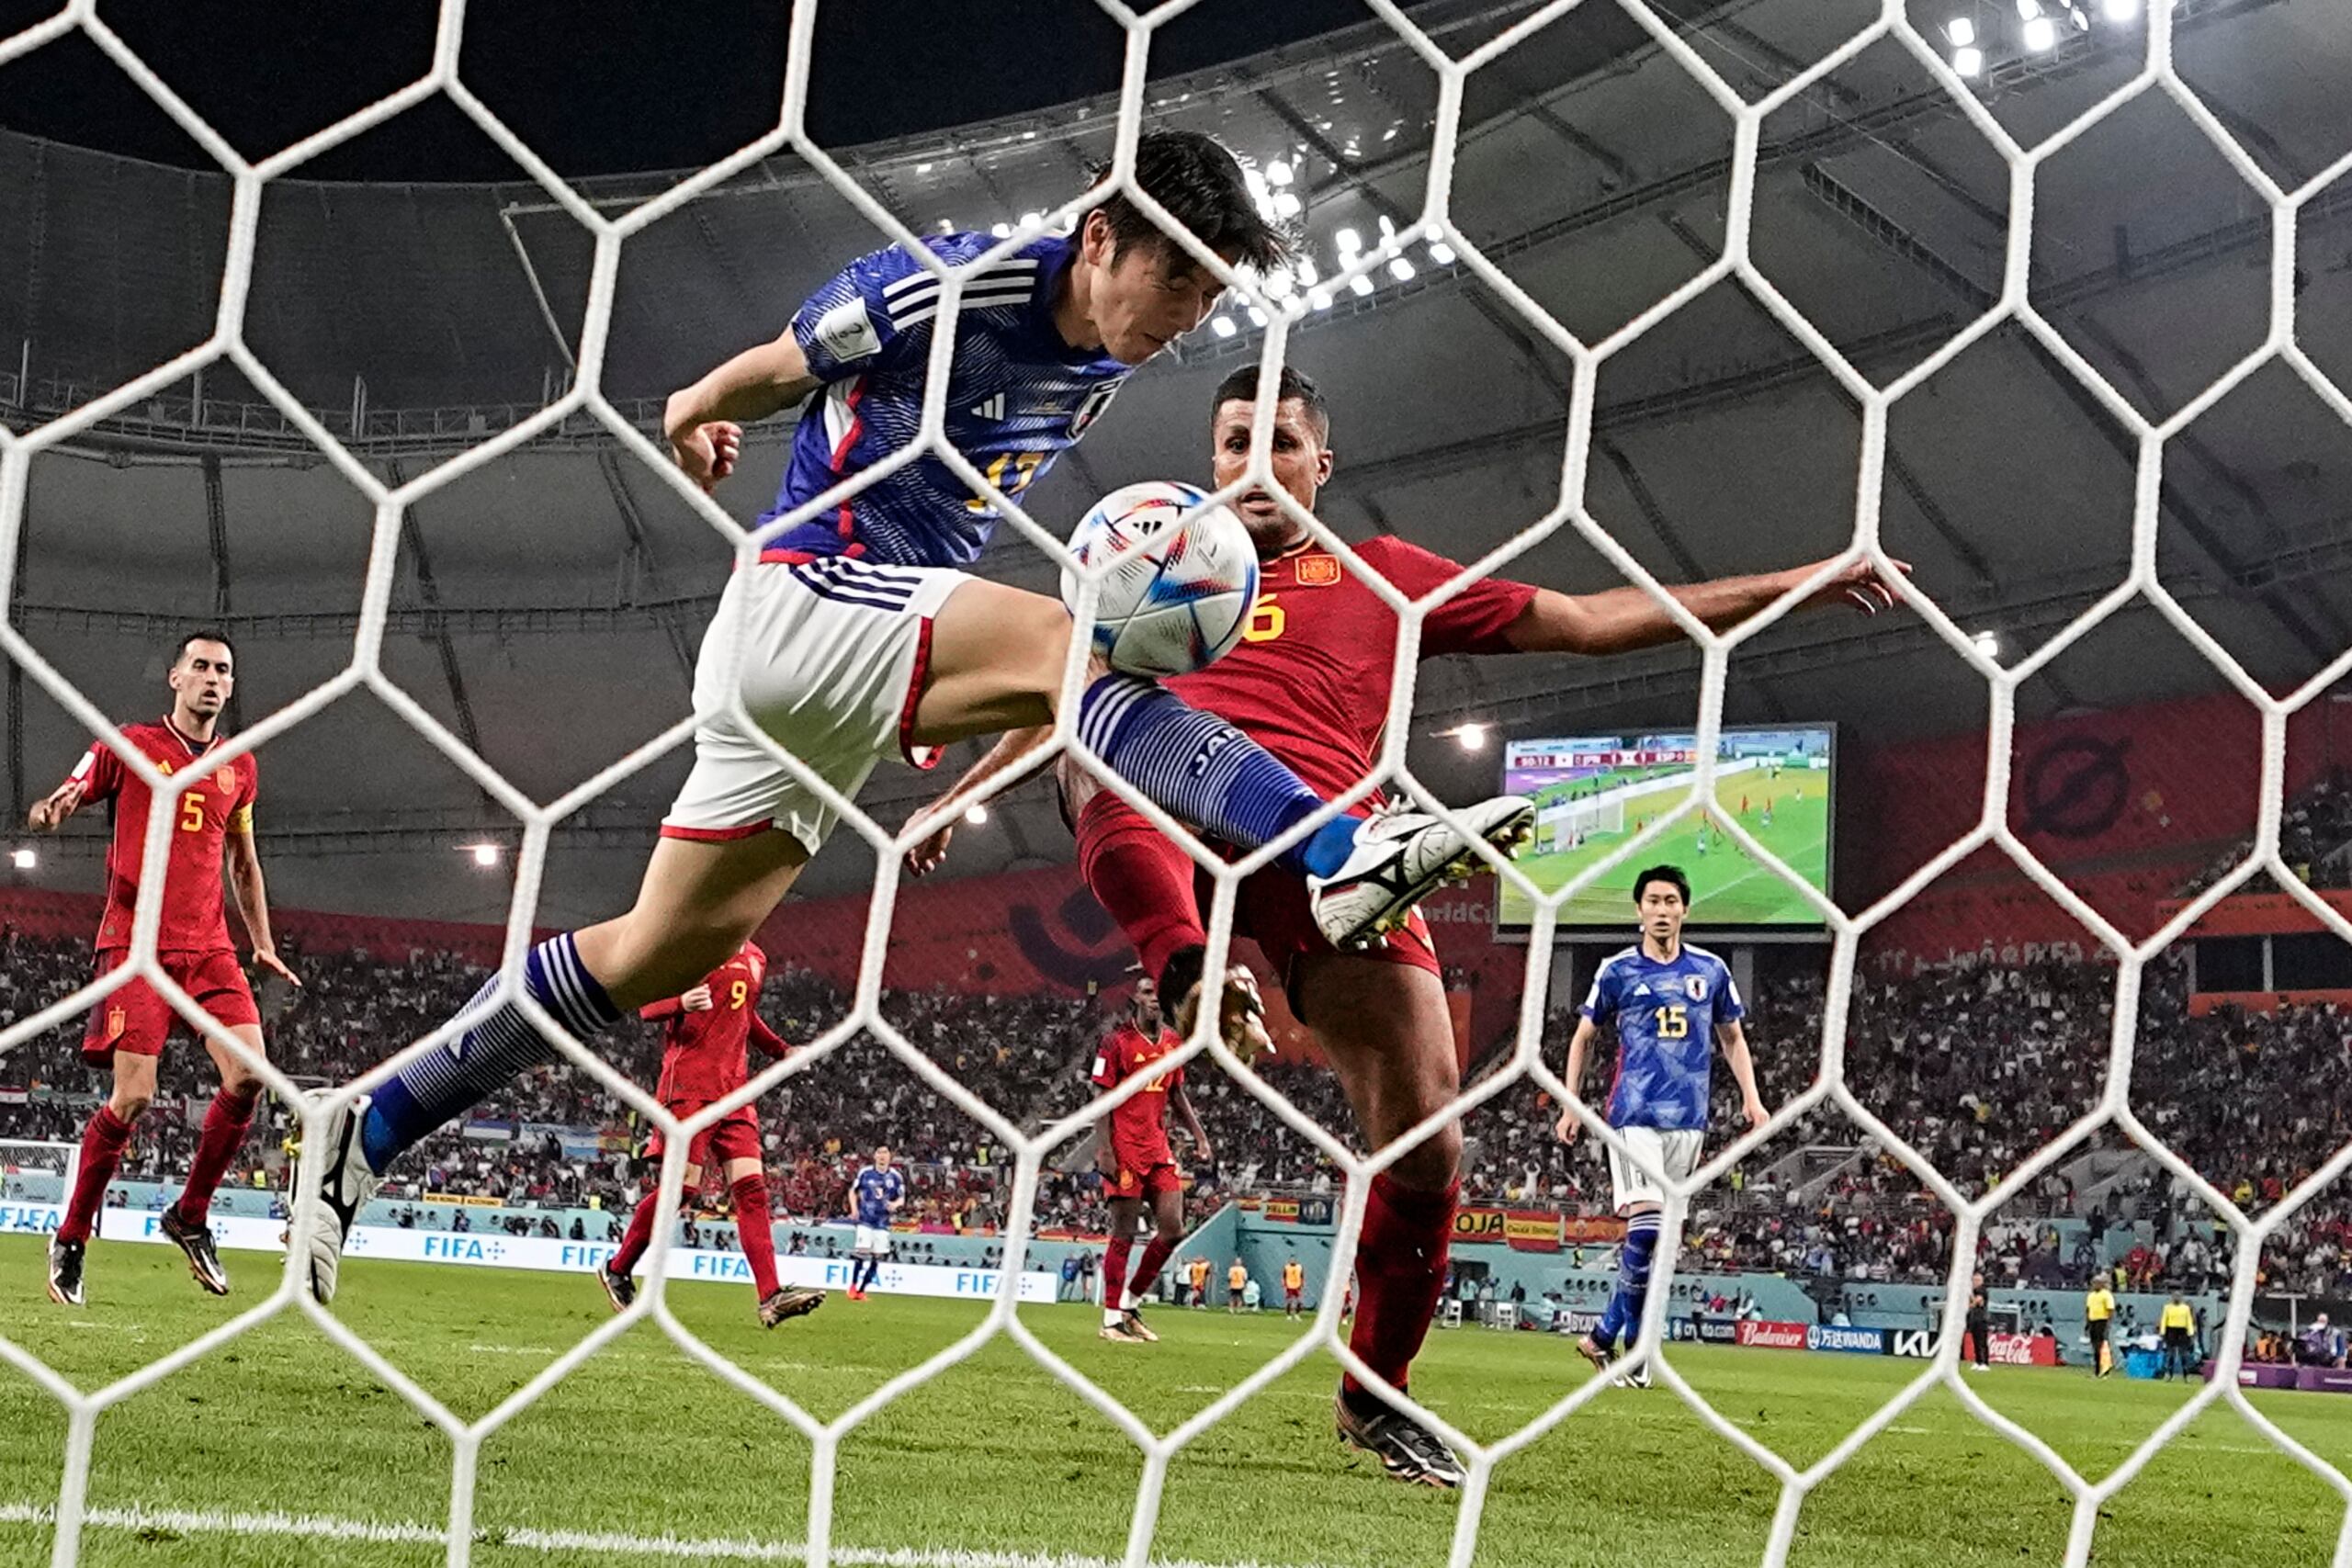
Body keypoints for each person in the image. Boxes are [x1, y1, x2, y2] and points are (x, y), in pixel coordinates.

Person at [298, 133, 1532, 1304]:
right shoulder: (951, 282)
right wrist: (696, 405)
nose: (1184, 324)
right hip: (806, 598)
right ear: (1103, 238)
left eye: (1210, 302)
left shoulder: (1102, 363)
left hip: (836, 662)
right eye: (1179, 285)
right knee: (1081, 646)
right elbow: (784, 363)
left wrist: (933, 674)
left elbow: (958, 498)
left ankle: (372, 1121)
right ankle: (1334, 846)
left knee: (654, 952)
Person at [910, 366, 1896, 1486]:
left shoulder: (1384, 578)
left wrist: (1806, 583)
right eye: (1232, 443)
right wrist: (953, 799)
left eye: (1280, 444)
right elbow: (1070, 694)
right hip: (1176, 806)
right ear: (1208, 454)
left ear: (1321, 464)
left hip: (1337, 859)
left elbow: (1584, 620)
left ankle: (1375, 1393)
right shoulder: (1156, 568)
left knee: (1427, 1136)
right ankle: (1184, 966)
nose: (1252, 468)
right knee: (1110, 758)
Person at [28, 633, 300, 1306]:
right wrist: (57, 805)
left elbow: (243, 861)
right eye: (201, 666)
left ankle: (191, 1214)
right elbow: (76, 784)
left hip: (208, 947)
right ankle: (71, 1236)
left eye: (223, 670)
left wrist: (261, 942)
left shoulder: (240, 766)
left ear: (231, 687)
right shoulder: (131, 745)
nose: (211, 678)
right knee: (136, 1096)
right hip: (136, 945)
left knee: (248, 1074)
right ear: (175, 676)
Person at [1557, 865, 1768, 1393]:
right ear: (1639, 910)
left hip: (1689, 1123)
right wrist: (1569, 1105)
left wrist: (1753, 1098)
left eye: (1671, 900)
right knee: (1646, 1228)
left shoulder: (1712, 970)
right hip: (1633, 1115)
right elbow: (1583, 1037)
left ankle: (1621, 1342)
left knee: (1657, 1245)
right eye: (1652, 900)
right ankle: (1618, 1340)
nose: (1662, 909)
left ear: (1684, 910)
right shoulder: (1617, 970)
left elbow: (1732, 1039)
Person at [598, 941, 817, 1325]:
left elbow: (745, 1015)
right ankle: (618, 1268)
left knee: (752, 1192)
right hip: (688, 1088)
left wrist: (781, 1050)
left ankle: (770, 1297)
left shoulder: (756, 956)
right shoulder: (692, 943)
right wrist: (680, 1003)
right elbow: (648, 1006)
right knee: (683, 1189)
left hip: (735, 1092)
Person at [1093, 976, 1209, 1344]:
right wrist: (1104, 1149)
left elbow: (1176, 1092)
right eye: (1147, 992)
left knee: (1174, 1229)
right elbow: (1101, 1098)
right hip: (1124, 1147)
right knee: (1124, 1232)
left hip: (1158, 1148)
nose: (1154, 999)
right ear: (1135, 998)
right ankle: (1111, 1320)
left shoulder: (1174, 1042)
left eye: (1159, 993)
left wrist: (1200, 1134)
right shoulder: (1116, 1043)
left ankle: (1130, 1303)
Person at [846, 1146, 906, 1302]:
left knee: (877, 1257)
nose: (882, 1156)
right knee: (862, 1252)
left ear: (889, 1157)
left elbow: (902, 1198)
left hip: (883, 1222)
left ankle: (861, 1291)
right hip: (865, 1219)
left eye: (885, 1153)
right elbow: (853, 1191)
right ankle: (852, 1286)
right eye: (879, 1153)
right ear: (874, 1156)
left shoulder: (896, 1176)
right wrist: (854, 1208)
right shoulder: (865, 1172)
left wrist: (895, 1205)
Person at [2159, 1292, 2198, 1380]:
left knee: (2183, 1354)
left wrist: (2191, 1333)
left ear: (2181, 1298)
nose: (2176, 1298)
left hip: (2182, 1332)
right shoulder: (2167, 1307)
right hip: (2171, 1331)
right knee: (2170, 1354)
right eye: (2175, 1296)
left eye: (2178, 1296)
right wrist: (2162, 1332)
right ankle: (2169, 1374)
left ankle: (2186, 1375)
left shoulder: (2185, 1308)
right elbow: (2164, 1320)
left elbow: (2188, 1321)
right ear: (2172, 1297)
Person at [2085, 1275, 2116, 1377]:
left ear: (2102, 1284)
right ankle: (2098, 1369)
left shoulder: (2106, 1295)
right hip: (2092, 1321)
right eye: (2094, 1283)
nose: (2095, 1285)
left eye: (2097, 1283)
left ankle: (2104, 1368)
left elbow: (2110, 1309)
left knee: (2101, 1345)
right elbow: (2088, 1310)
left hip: (2102, 1321)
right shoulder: (2091, 1295)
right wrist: (2087, 1323)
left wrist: (2108, 1323)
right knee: (2095, 1346)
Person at [1964, 1271, 1993, 1372]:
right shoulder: (1975, 1290)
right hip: (1974, 1318)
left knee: (1982, 1342)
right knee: (1975, 1342)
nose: (1975, 1282)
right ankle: (1978, 1361)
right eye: (1974, 1280)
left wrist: (1970, 1294)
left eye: (1978, 1280)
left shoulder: (1982, 1290)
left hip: (1982, 1319)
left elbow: (1976, 1302)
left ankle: (1985, 1362)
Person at [1283, 1256, 1306, 1320]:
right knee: (1289, 1301)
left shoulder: (1299, 1267)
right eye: (1291, 1260)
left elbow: (1302, 1276)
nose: (1292, 1261)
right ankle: (1289, 1315)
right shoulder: (1287, 1267)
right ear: (1289, 1260)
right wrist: (1284, 1285)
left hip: (1297, 1286)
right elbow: (1284, 1276)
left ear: (1296, 1260)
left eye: (1294, 1260)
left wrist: (1302, 1284)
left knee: (1299, 1301)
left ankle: (1297, 1314)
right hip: (1289, 1286)